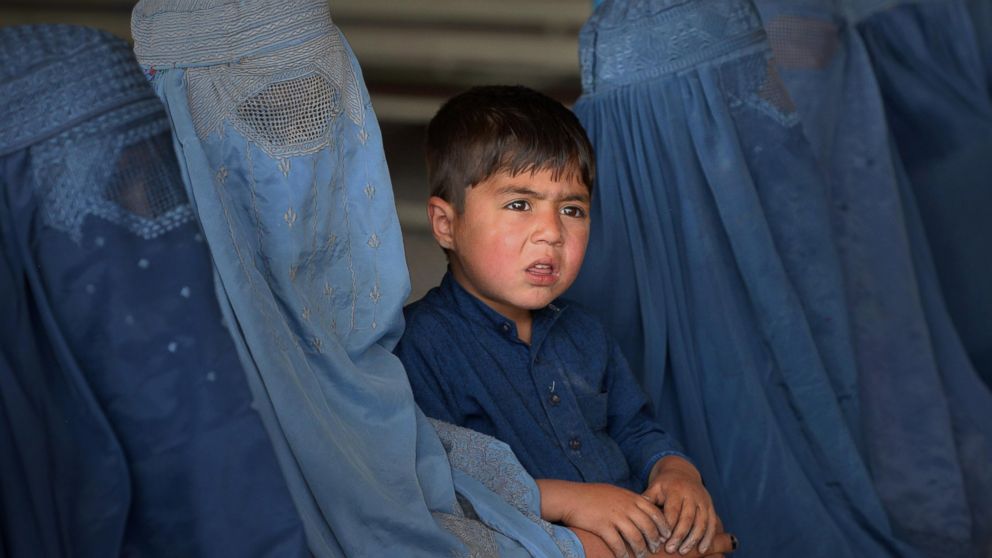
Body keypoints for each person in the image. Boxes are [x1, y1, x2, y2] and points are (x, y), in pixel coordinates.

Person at [396, 85, 736, 558]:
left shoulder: (585, 332)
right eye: (520, 204)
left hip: (636, 532)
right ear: (446, 224)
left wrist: (676, 473)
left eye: (572, 210)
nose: (552, 233)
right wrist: (569, 501)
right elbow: (439, 483)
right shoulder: (420, 344)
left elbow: (634, 427)